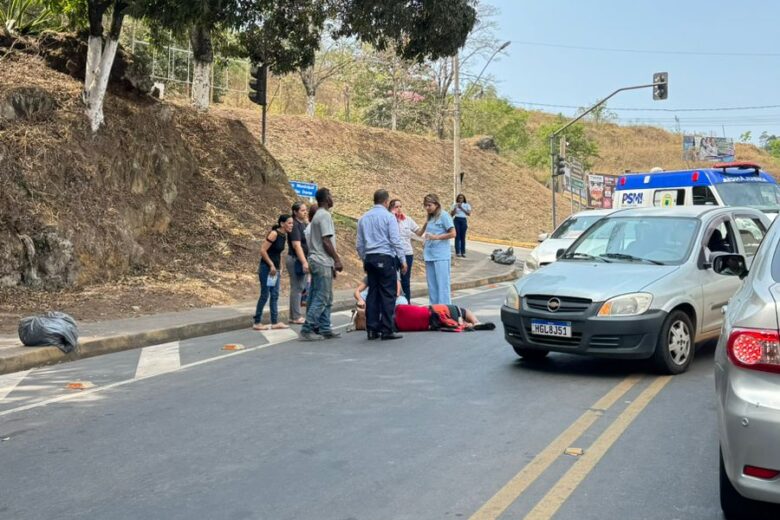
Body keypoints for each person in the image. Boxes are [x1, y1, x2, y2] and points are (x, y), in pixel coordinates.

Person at [357, 189, 408, 341]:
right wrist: (403, 260)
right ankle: (386, 329)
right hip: (385, 258)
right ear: (386, 202)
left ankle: (372, 329)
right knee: (387, 294)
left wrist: (364, 258)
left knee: (373, 293)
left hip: (370, 258)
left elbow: (359, 244)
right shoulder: (388, 217)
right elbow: (395, 240)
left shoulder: (363, 218)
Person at [300, 189, 343, 341]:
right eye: (331, 196)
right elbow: (326, 241)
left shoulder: (318, 215)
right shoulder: (324, 215)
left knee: (325, 296)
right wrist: (336, 259)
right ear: (325, 199)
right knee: (322, 297)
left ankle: (325, 328)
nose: (332, 198)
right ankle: (307, 328)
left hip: (318, 260)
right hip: (321, 260)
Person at [253, 214, 293, 331]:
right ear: (282, 224)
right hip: (266, 268)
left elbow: (277, 252)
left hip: (275, 269)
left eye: (292, 223)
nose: (291, 225)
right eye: (289, 223)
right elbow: (263, 250)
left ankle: (275, 322)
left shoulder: (283, 235)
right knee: (265, 294)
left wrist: (279, 266)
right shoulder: (274, 233)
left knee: (275, 295)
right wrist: (271, 265)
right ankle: (257, 322)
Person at [417, 193, 456, 305]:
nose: (427, 208)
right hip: (429, 255)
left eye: (429, 205)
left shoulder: (444, 216)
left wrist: (436, 237)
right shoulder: (430, 218)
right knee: (432, 286)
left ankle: (445, 310)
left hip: (441, 256)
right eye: (425, 206)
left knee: (442, 285)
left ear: (436, 204)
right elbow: (423, 234)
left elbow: (453, 233)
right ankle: (434, 310)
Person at [389, 198, 421, 304]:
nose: (399, 209)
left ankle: (407, 303)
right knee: (393, 280)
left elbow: (418, 232)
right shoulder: (388, 219)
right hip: (393, 254)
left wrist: (427, 225)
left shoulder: (407, 219)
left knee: (405, 280)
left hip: (407, 253)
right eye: (396, 207)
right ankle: (394, 304)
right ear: (391, 208)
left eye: (400, 206)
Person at [285, 201, 309, 324]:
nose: (305, 212)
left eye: (306, 210)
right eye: (302, 210)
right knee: (297, 288)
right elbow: (296, 245)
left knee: (299, 287)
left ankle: (292, 316)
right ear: (295, 212)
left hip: (300, 259)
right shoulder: (294, 225)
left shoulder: (302, 224)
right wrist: (304, 262)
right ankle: (296, 316)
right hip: (296, 259)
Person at [450, 193, 472, 258]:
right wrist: (455, 208)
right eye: (459, 198)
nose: (460, 199)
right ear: (457, 199)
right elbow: (451, 214)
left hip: (463, 220)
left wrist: (461, 207)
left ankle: (463, 252)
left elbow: (468, 213)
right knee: (457, 236)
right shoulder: (454, 205)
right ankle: (458, 252)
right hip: (456, 219)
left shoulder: (467, 205)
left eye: (462, 198)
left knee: (463, 237)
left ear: (464, 199)